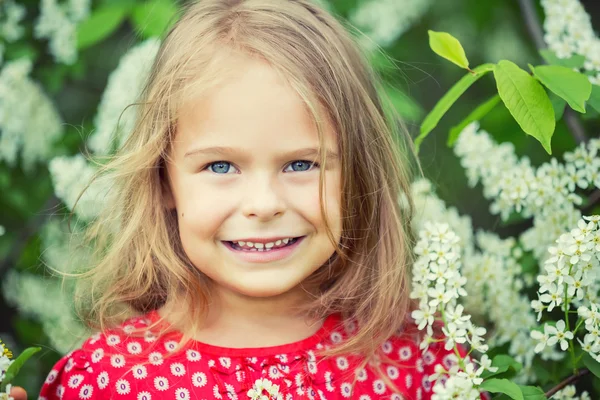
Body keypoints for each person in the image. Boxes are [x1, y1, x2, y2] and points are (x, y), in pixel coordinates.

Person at [12, 0, 481, 399]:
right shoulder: (105, 380)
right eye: (220, 167)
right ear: (163, 182)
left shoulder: (421, 367)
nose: (264, 204)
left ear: (356, 174)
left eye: (301, 164)